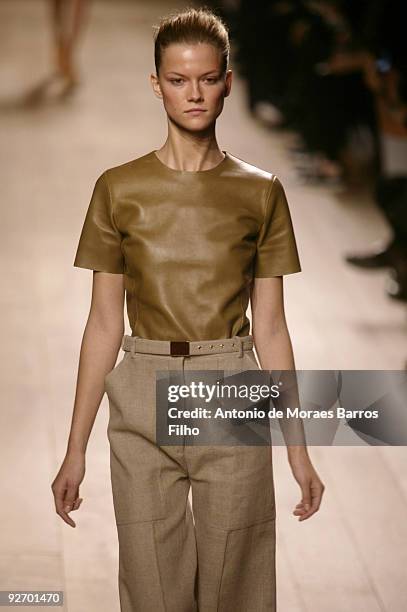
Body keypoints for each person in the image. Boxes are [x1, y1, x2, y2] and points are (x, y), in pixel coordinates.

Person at [51, 7, 325, 611]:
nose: (194, 93)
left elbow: (272, 329)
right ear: (157, 84)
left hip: (230, 385)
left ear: (228, 79)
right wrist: (75, 450)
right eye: (178, 80)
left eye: (206, 78)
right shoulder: (118, 189)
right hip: (142, 390)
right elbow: (102, 324)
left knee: (238, 587)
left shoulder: (261, 192)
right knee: (151, 590)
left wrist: (298, 451)